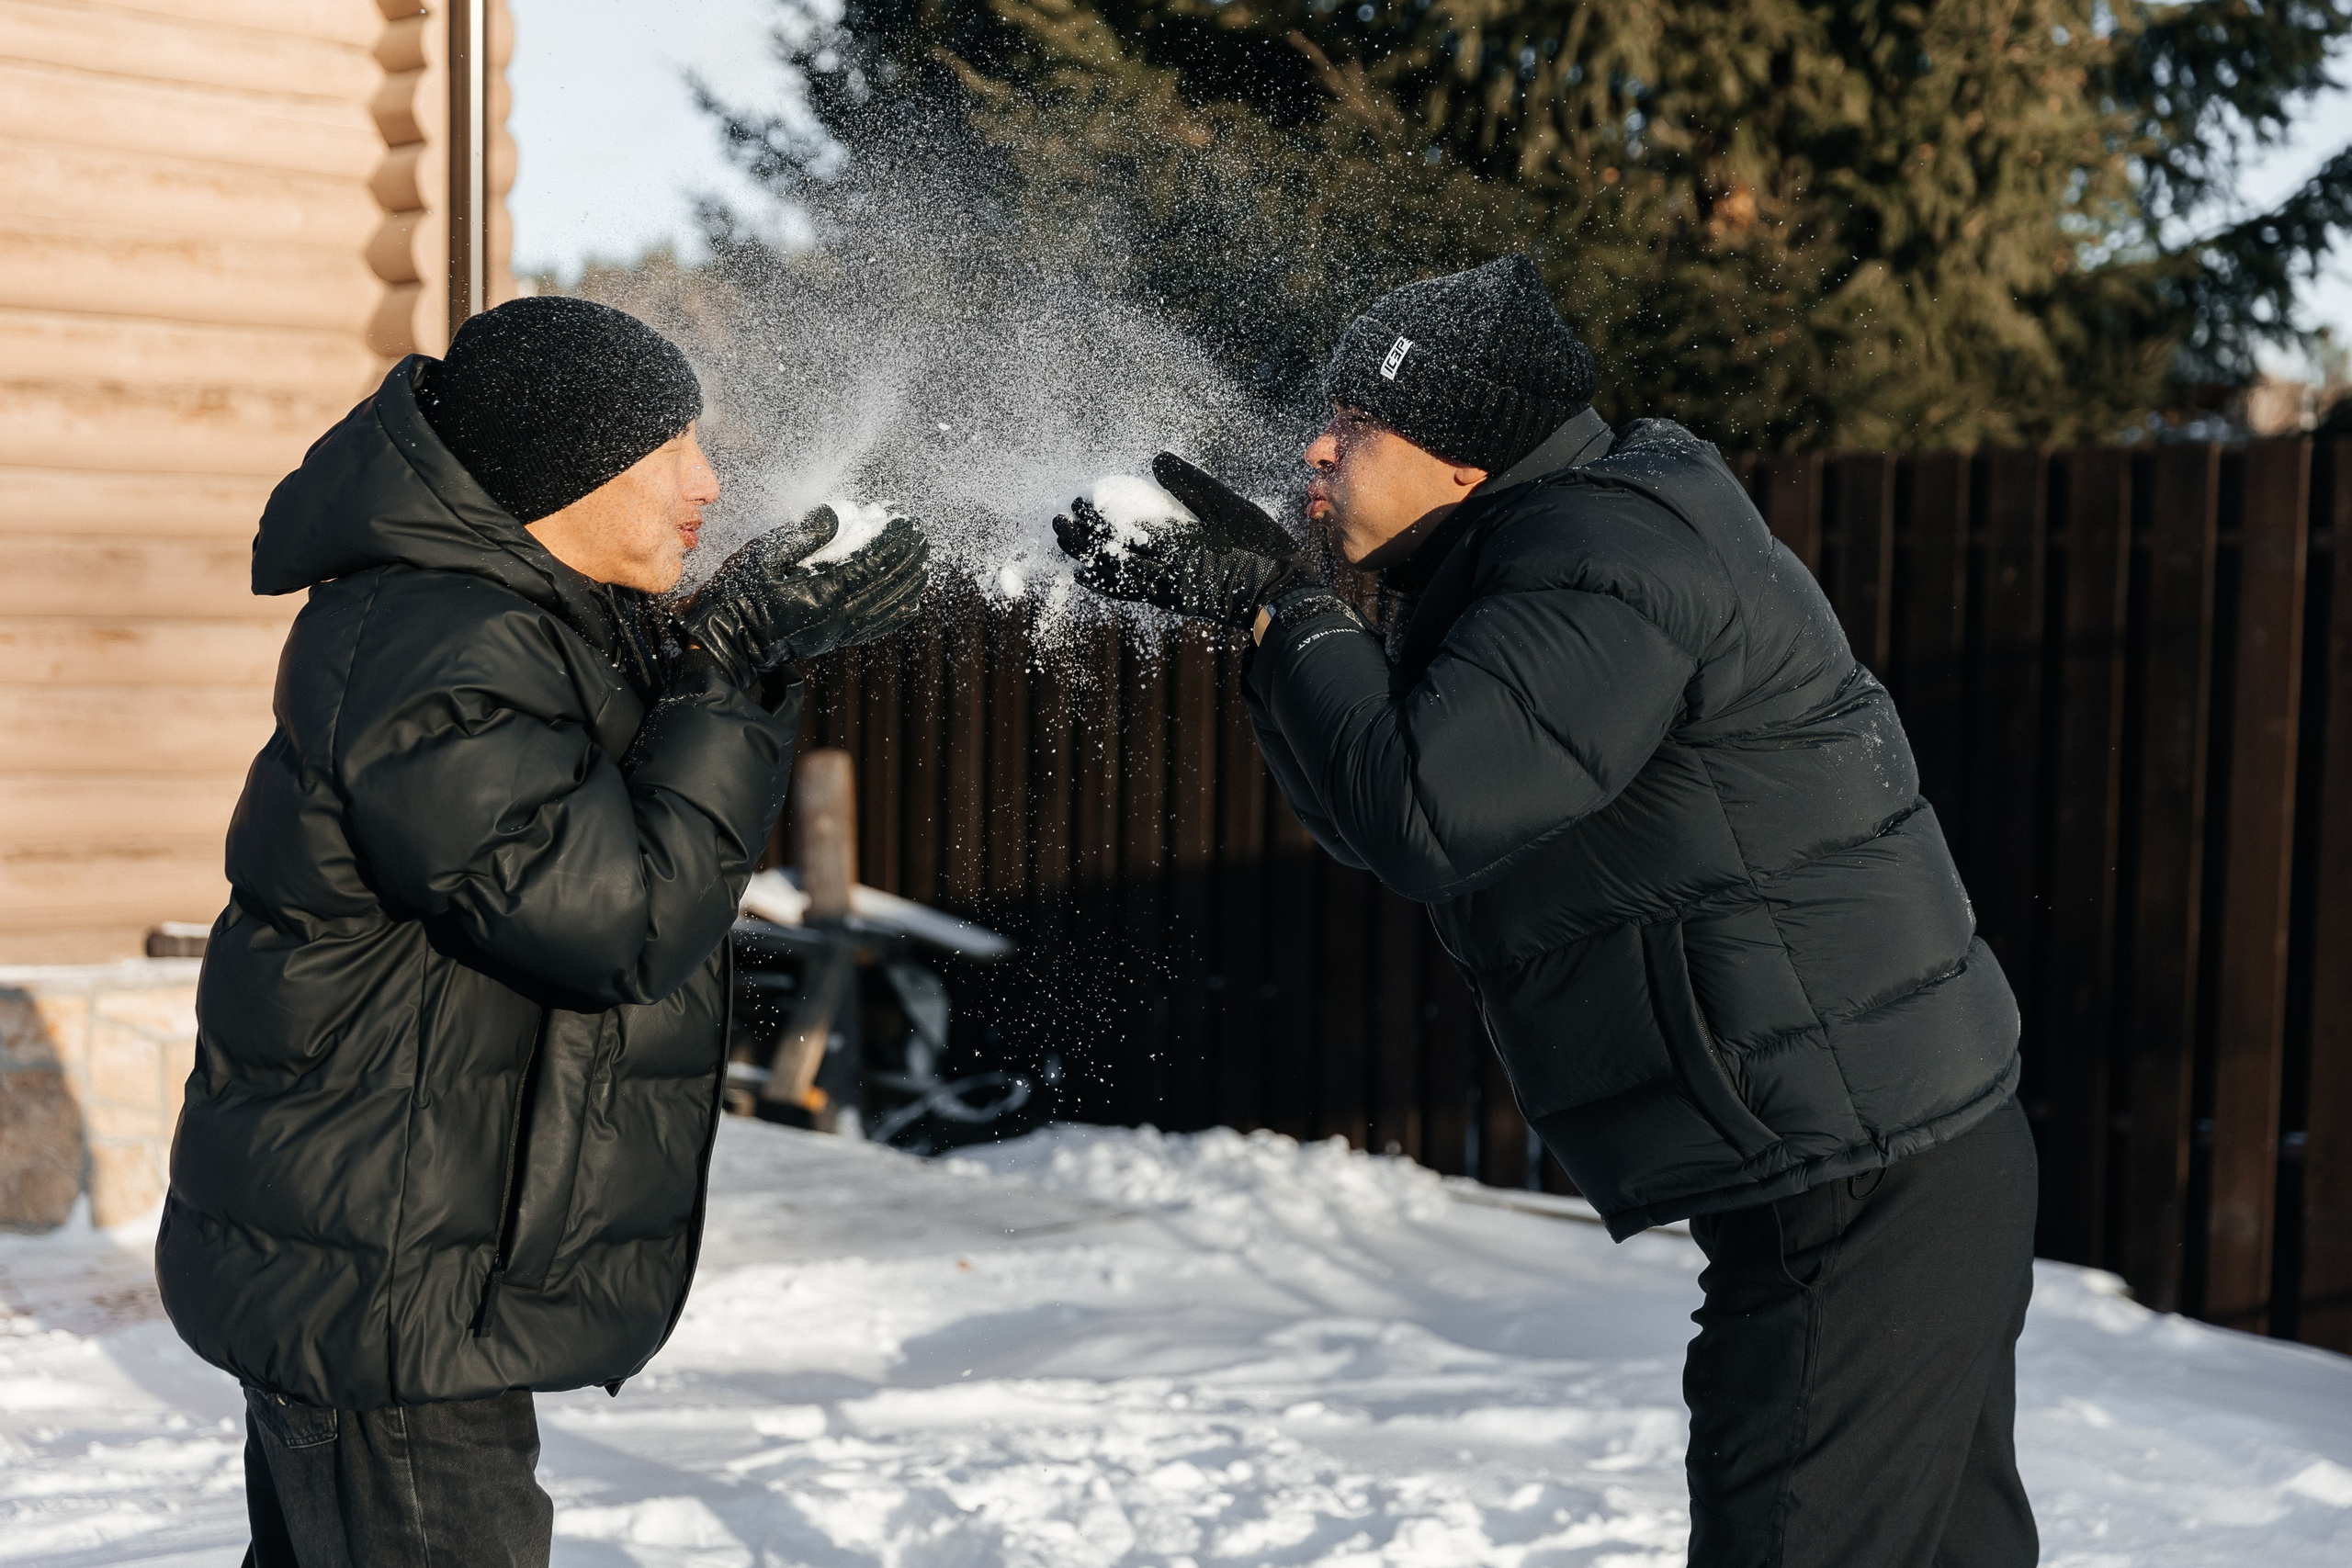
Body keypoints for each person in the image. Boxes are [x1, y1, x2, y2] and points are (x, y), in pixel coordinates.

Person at [1055, 254, 2039, 1568]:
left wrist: (1279, 605)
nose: (1318, 444)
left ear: (1465, 462)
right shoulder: (1559, 539)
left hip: (1860, 1175)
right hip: (1882, 1144)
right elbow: (1381, 813)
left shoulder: (1601, 557)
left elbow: (1423, 811)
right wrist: (1265, 627)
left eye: (1360, 423)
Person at [157, 296, 930, 1567]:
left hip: (401, 1265)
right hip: (388, 1291)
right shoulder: (436, 642)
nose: (707, 481)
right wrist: (728, 681)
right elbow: (615, 920)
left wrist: (723, 656)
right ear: (558, 474)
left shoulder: (531, 619)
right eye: (667, 450)